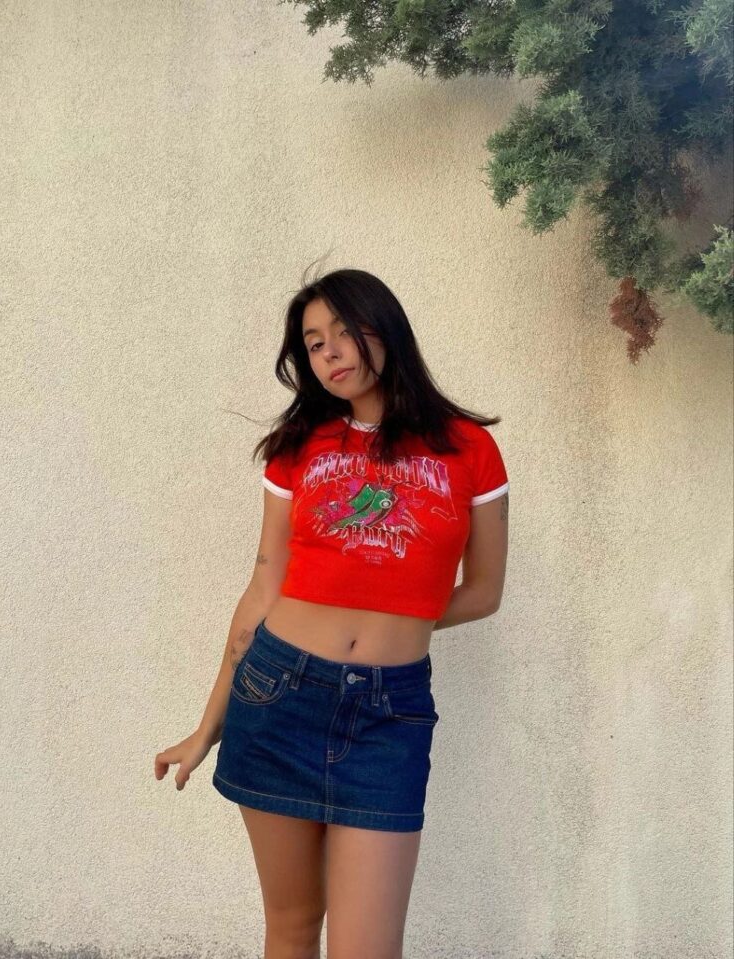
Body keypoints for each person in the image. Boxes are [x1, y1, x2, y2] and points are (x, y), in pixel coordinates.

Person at [154, 267, 509, 959]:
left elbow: (485, 589)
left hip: (389, 715)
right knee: (292, 926)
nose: (330, 352)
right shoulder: (298, 447)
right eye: (315, 343)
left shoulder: (469, 447)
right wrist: (207, 726)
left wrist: (391, 611)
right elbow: (263, 589)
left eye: (345, 331)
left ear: (387, 330)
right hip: (277, 694)